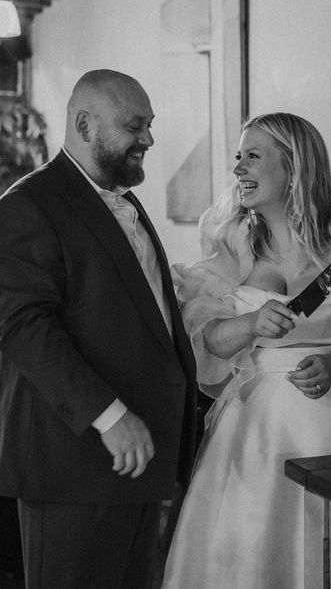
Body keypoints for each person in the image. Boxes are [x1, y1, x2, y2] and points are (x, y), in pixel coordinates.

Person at [162, 113, 331, 588]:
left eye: (253, 156)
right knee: (253, 549)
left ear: (294, 166)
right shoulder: (231, 245)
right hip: (254, 433)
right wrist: (249, 323)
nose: (239, 167)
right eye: (238, 156)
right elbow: (203, 339)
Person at [0, 69, 198, 589]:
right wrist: (109, 417)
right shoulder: (27, 205)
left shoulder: (124, 202)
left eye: (150, 125)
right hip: (75, 462)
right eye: (135, 126)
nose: (149, 139)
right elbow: (23, 326)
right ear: (85, 125)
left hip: (138, 463)